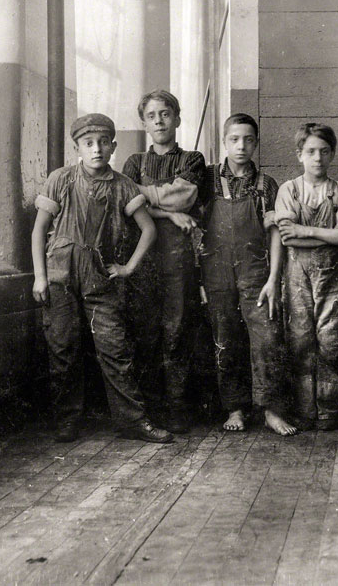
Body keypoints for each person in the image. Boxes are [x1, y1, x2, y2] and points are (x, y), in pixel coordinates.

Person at [31, 113, 173, 444]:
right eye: (88, 144)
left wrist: (127, 268)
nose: (96, 149)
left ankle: (132, 421)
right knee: (63, 348)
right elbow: (39, 230)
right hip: (59, 277)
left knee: (115, 350)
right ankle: (67, 420)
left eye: (103, 143)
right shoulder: (60, 180)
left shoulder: (123, 185)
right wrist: (39, 276)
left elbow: (148, 230)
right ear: (77, 148)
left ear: (113, 146)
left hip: (100, 280)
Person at [199, 113, 297, 436]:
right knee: (225, 340)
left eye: (248, 140)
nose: (241, 146)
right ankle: (235, 408)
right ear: (224, 141)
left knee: (267, 340)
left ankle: (270, 410)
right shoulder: (208, 178)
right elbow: (193, 224)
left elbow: (276, 235)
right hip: (216, 272)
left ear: (256, 143)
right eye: (234, 140)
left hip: (256, 273)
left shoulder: (266, 184)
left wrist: (273, 279)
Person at [122, 90, 206, 434]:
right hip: (142, 261)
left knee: (177, 331)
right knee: (144, 334)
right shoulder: (132, 162)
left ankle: (177, 409)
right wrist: (169, 216)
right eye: (152, 115)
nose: (159, 120)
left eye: (165, 114)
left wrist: (143, 197)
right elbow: (123, 203)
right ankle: (148, 412)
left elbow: (182, 195)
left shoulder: (193, 159)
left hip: (178, 263)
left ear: (178, 118)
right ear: (144, 123)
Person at [275, 123, 338, 431]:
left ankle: (328, 412)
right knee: (300, 342)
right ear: (299, 155)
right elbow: (287, 238)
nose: (318, 158)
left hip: (333, 280)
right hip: (297, 277)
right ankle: (304, 411)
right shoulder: (289, 190)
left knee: (331, 342)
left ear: (333, 154)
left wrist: (305, 230)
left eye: (324, 151)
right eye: (310, 151)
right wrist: (328, 235)